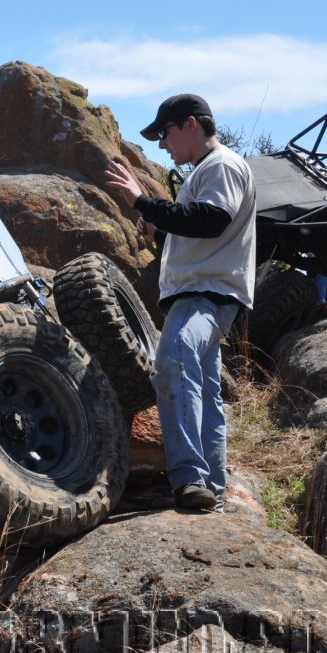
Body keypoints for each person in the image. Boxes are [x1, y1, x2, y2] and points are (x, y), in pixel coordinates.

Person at [105, 94, 256, 512]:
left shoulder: (221, 165)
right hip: (206, 290)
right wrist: (161, 230)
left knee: (172, 361)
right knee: (205, 390)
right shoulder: (208, 171)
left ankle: (189, 479)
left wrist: (143, 201)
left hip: (205, 293)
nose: (161, 145)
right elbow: (203, 229)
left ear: (190, 124)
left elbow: (212, 220)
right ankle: (214, 488)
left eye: (164, 134)